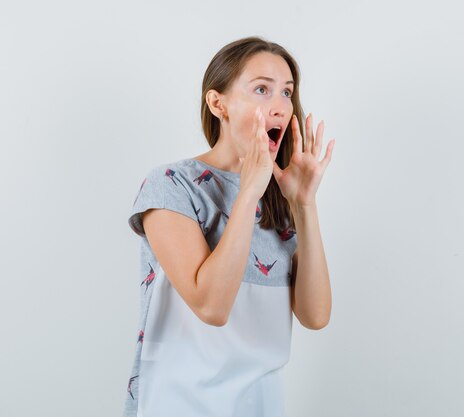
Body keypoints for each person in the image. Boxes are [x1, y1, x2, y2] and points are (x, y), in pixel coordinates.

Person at [122, 36, 335, 417]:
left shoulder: (280, 194)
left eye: (287, 92)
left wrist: (304, 204)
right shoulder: (171, 184)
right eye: (261, 89)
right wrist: (249, 189)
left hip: (262, 405)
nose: (280, 106)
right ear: (218, 103)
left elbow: (315, 315)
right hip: (178, 404)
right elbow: (212, 306)